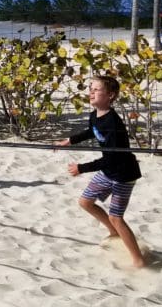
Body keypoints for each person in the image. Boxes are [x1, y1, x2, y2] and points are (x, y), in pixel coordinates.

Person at [56, 75, 147, 268]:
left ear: (110, 96)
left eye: (96, 89)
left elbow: (112, 158)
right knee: (85, 202)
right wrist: (69, 141)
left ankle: (138, 260)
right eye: (90, 88)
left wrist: (82, 168)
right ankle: (113, 232)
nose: (91, 92)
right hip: (108, 170)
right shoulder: (95, 115)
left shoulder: (113, 123)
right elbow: (91, 131)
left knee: (116, 217)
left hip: (124, 174)